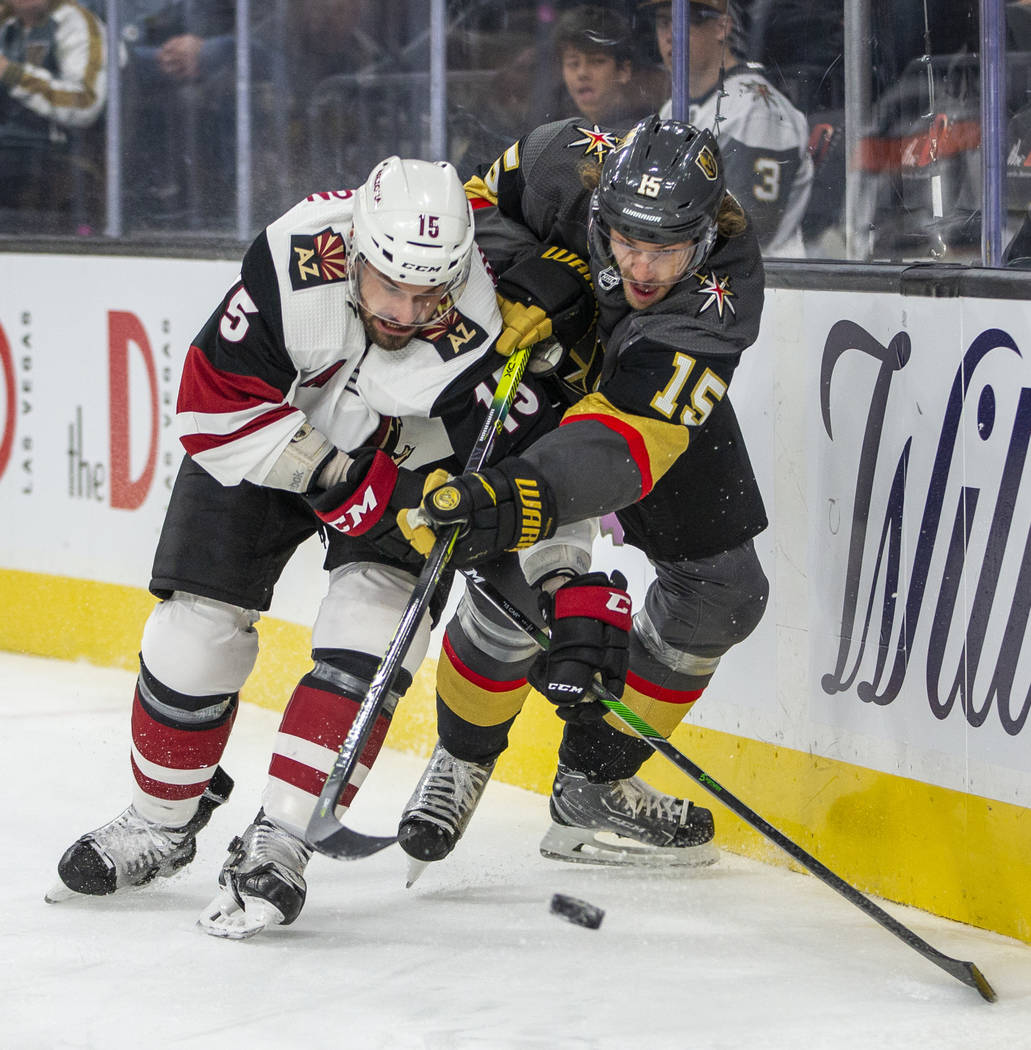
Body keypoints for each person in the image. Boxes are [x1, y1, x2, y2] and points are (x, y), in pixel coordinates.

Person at [47, 155, 562, 938]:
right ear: (354, 250)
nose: (406, 310)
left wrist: (530, 562)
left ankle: (283, 838)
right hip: (264, 440)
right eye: (389, 285)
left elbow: (500, 468)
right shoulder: (297, 254)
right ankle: (160, 822)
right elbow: (211, 404)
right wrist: (330, 474)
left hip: (403, 463)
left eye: (429, 295)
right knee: (193, 631)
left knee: (373, 632)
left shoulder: (480, 321)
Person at [386, 114, 770, 876]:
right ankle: (462, 758)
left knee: (723, 591)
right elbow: (465, 213)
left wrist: (523, 492)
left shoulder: (722, 288)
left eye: (667, 249)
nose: (645, 269)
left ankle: (594, 783)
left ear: (704, 232)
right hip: (532, 368)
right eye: (627, 241)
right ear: (599, 208)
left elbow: (629, 436)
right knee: (515, 584)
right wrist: (539, 266)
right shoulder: (561, 157)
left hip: (632, 396)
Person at [640, 0, 812, 256]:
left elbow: (748, 231)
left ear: (722, 27)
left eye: (684, 21)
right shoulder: (672, 108)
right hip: (696, 272)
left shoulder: (756, 109)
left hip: (766, 284)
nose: (670, 35)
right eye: (663, 22)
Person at [0, 0, 108, 227]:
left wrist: (13, 75)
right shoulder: (6, 22)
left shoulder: (76, 23)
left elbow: (85, 102)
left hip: (50, 152)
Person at [553, 5, 638, 126]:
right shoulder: (561, 129)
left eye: (596, 61)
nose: (582, 73)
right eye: (573, 63)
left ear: (624, 70)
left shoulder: (642, 131)